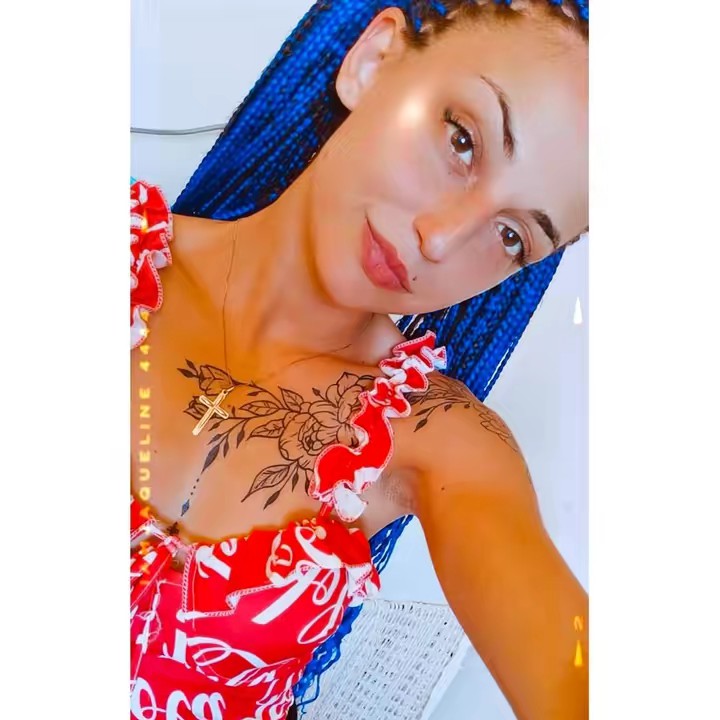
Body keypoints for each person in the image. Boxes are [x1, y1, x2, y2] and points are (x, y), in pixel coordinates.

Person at [130, 1, 589, 719]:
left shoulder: (437, 441)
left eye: (511, 237)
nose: (441, 239)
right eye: (462, 140)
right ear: (374, 62)